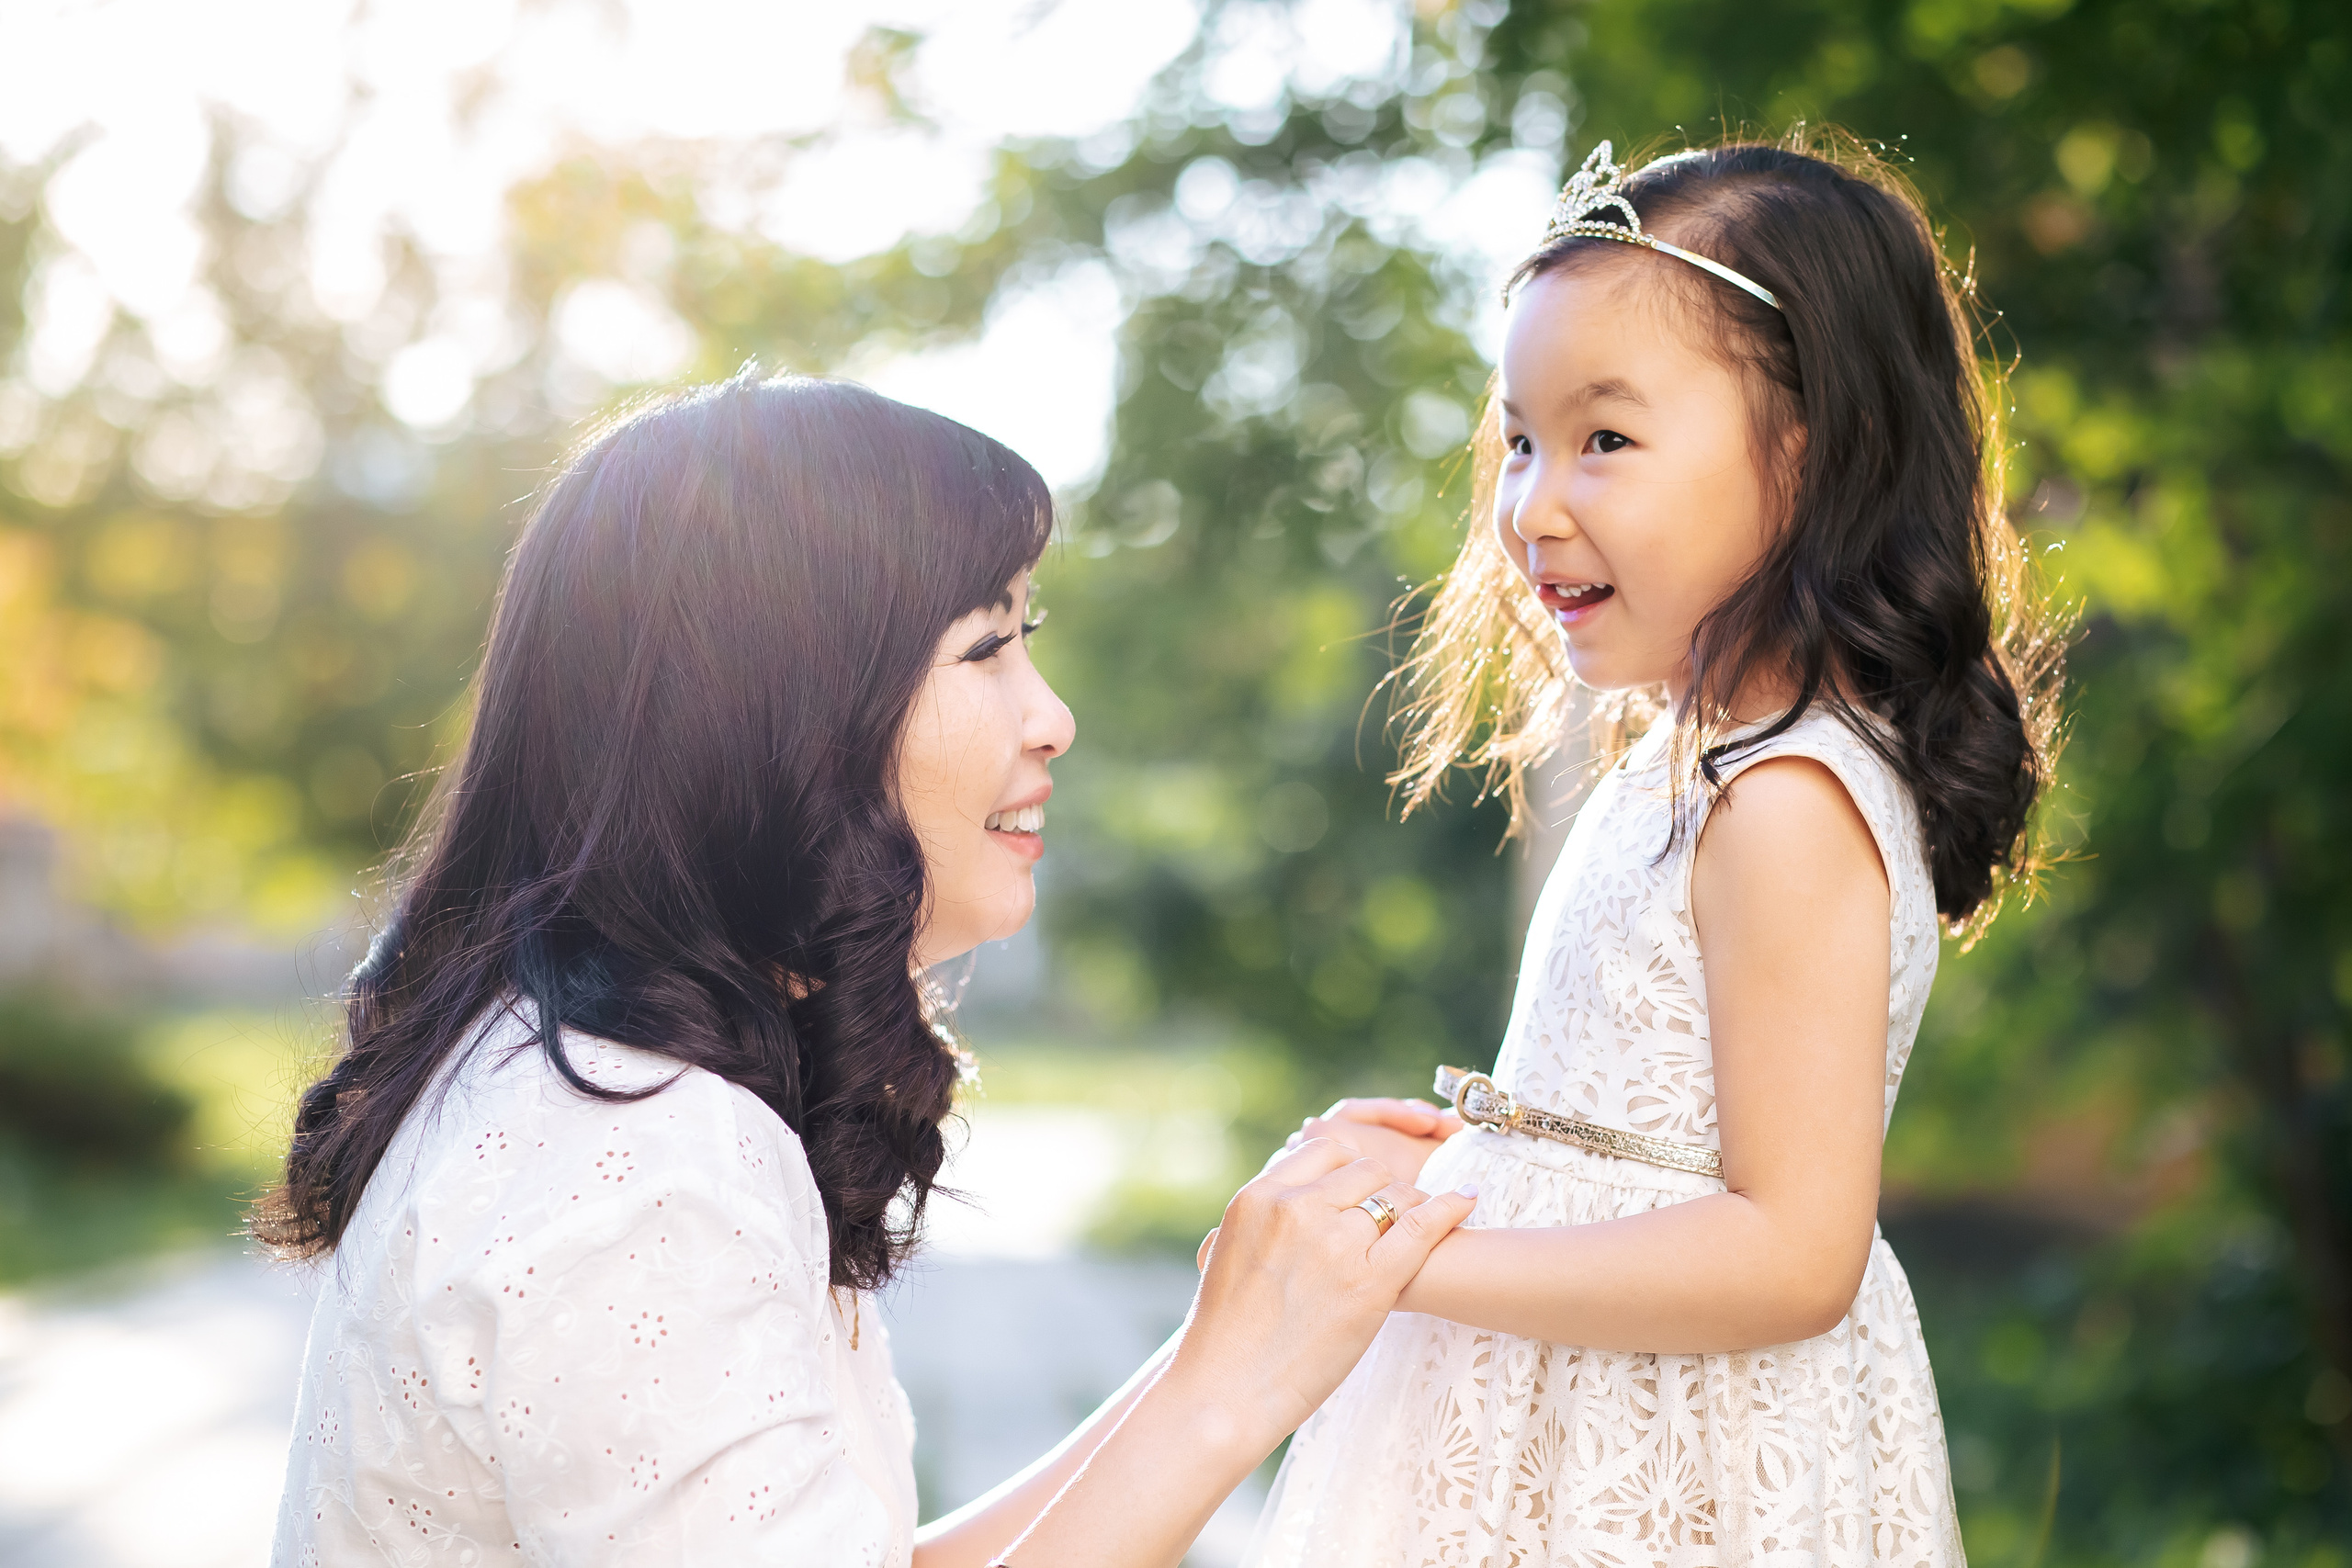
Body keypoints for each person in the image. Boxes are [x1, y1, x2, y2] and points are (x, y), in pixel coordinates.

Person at [253, 373, 1478, 1567]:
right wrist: (1225, 1391)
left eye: (1026, 640)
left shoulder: (613, 1082)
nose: (1051, 717)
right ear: (786, 711)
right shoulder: (634, 1164)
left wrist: (1239, 1327)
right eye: (986, 648)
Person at [1243, 134, 2066, 1565]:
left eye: (1606, 438)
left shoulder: (1791, 802)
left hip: (1683, 1455)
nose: (1533, 504)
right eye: (1519, 438)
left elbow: (1794, 1252)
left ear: (1810, 456)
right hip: (1561, 1416)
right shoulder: (1679, 768)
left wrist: (1417, 1266)